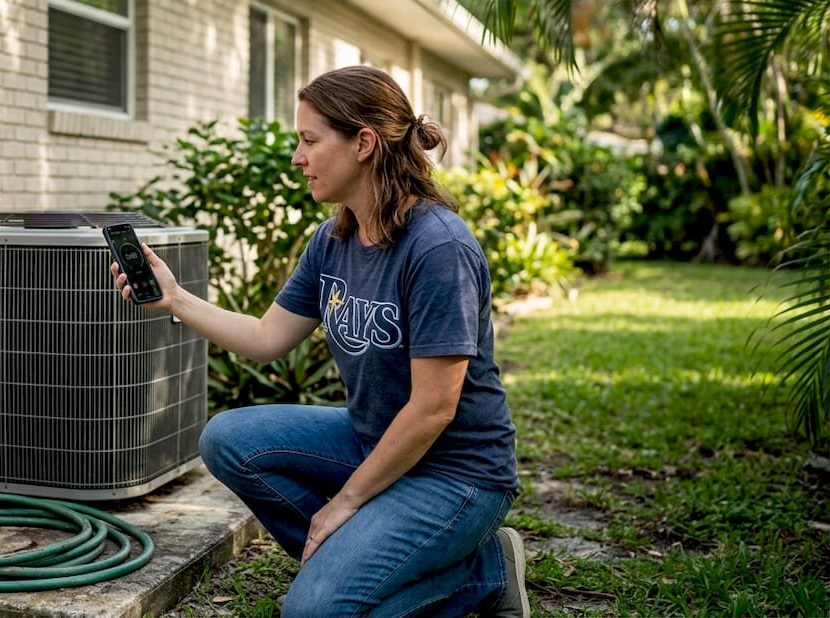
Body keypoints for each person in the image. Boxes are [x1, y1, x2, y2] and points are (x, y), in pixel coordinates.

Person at [110, 65, 527, 617]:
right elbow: (266, 338)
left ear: (364, 144)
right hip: (372, 439)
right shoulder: (335, 238)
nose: (297, 157)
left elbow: (433, 408)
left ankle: (486, 574)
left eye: (309, 140)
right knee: (228, 439)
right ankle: (358, 560)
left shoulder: (437, 248)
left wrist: (345, 504)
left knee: (313, 613)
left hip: (457, 473)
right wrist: (175, 300)